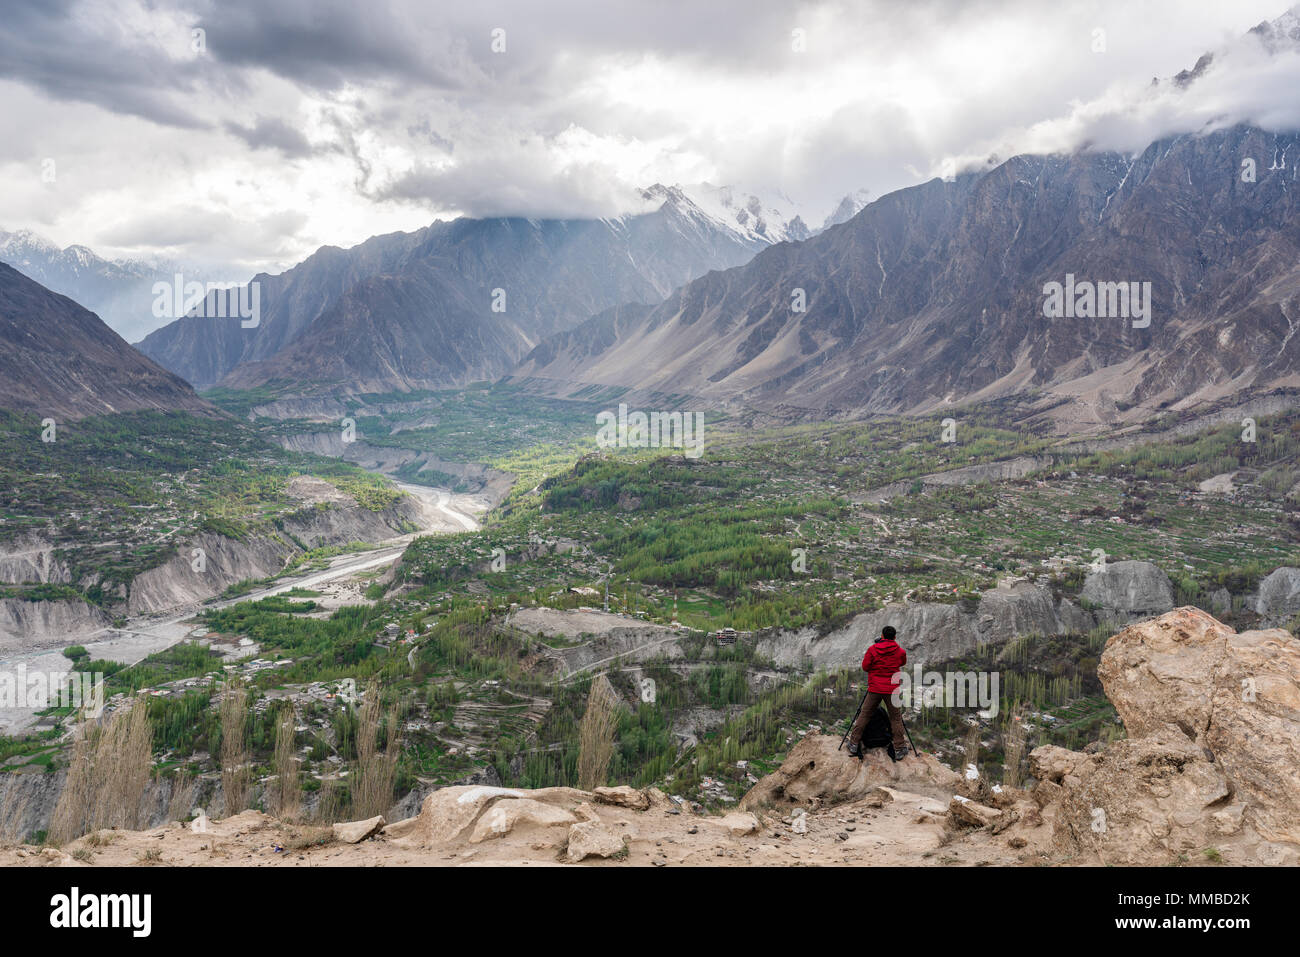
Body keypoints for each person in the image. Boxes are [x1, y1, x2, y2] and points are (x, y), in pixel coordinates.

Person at [845, 625, 908, 759]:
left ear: (882, 635)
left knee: (864, 715)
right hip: (892, 689)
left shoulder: (872, 649)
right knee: (896, 718)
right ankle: (899, 748)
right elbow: (902, 662)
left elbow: (865, 667)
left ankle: (853, 743)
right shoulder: (900, 651)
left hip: (875, 688)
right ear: (895, 637)